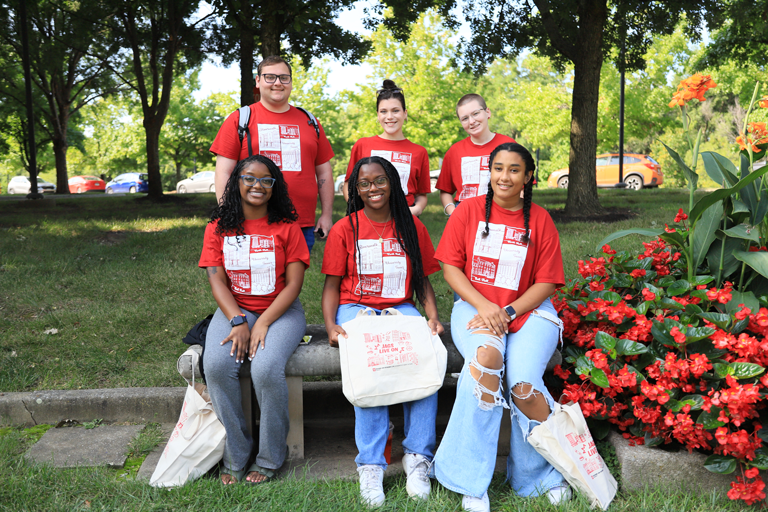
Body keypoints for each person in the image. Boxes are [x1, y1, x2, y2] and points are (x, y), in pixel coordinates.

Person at [431, 143, 569, 512]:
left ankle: (537, 477)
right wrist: (485, 305)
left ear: (528, 177)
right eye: (498, 168)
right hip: (476, 308)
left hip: (529, 310)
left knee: (524, 384)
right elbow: (450, 268)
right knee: (485, 363)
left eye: (514, 169)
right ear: (489, 172)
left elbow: (547, 282)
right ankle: (469, 481)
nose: (504, 177)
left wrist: (506, 311)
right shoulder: (468, 210)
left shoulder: (540, 219)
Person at [322, 156, 443, 507]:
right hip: (355, 307)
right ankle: (371, 464)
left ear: (392, 183)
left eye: (379, 181)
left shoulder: (412, 226)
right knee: (369, 367)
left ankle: (418, 457)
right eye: (364, 183)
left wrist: (432, 317)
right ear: (355, 190)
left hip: (399, 306)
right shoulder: (345, 228)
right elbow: (331, 286)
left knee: (423, 359)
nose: (372, 188)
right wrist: (331, 325)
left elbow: (422, 280)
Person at [199, 154, 310, 485]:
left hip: (282, 312)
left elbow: (294, 285)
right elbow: (217, 281)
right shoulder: (218, 227)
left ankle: (270, 456)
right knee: (215, 366)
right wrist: (238, 320)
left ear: (275, 187)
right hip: (236, 310)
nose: (257, 185)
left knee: (265, 368)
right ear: (237, 182)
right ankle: (236, 452)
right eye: (249, 178)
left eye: (265, 180)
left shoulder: (287, 227)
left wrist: (262, 323)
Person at [210, 55, 334, 253]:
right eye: (270, 77)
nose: (277, 83)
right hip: (251, 220)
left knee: (295, 274)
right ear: (258, 81)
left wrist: (326, 215)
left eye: (284, 78)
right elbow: (223, 172)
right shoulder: (239, 120)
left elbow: (324, 172)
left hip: (301, 223)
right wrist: (228, 214)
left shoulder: (310, 121)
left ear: (291, 82)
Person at [342, 80, 431, 217]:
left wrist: (415, 210)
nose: (389, 117)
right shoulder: (362, 145)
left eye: (395, 111)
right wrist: (358, 210)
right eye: (383, 111)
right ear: (378, 115)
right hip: (368, 218)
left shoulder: (419, 152)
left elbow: (421, 195)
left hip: (404, 218)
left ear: (405, 113)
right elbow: (348, 184)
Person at [435, 94, 516, 216]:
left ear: (487, 112)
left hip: (502, 212)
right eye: (465, 118)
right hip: (465, 213)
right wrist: (453, 213)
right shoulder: (454, 151)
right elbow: (445, 191)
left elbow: (522, 186)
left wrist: (513, 212)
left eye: (476, 113)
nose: (472, 121)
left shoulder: (509, 146)